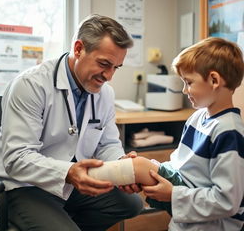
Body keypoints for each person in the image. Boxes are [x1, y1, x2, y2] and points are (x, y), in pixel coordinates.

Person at [0, 14, 144, 231]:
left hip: (73, 184)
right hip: (25, 185)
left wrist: (121, 164)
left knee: (131, 204)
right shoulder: (31, 85)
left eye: (116, 67)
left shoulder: (104, 93)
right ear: (79, 48)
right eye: (104, 64)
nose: (109, 76)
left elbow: (106, 144)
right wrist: (69, 173)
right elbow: (17, 159)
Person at [88, 37, 244, 231]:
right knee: (139, 167)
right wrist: (153, 170)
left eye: (188, 82)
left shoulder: (229, 132)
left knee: (138, 167)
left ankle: (84, 176)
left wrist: (173, 195)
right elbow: (179, 163)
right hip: (186, 209)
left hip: (212, 224)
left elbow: (227, 201)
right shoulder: (197, 118)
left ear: (214, 80)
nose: (184, 90)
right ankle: (82, 178)